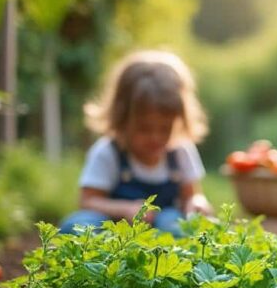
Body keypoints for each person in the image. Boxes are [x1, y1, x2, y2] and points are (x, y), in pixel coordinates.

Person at [60, 50, 213, 236]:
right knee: (76, 225)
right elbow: (88, 201)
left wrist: (197, 203)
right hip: (115, 228)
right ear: (121, 119)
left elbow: (191, 195)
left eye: (165, 128)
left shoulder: (180, 150)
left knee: (173, 223)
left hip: (164, 225)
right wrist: (124, 209)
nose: (155, 137)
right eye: (144, 128)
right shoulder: (108, 151)